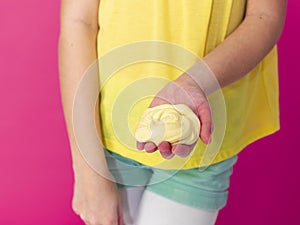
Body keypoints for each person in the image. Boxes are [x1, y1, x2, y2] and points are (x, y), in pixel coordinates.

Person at [58, 0, 286, 224]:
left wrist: (194, 82)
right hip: (107, 134)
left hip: (205, 137)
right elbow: (79, 20)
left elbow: (265, 16)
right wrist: (89, 170)